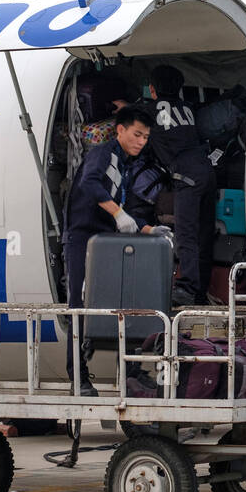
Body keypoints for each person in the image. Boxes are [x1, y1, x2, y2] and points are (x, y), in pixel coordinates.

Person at [62, 105, 170, 394]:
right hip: (83, 239)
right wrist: (118, 214)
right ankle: (78, 377)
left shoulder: (125, 164)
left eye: (146, 137)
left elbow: (125, 210)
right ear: (120, 130)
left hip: (107, 241)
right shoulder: (102, 153)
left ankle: (130, 371)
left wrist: (149, 230)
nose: (141, 141)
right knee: (78, 307)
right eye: (137, 134)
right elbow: (89, 183)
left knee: (123, 304)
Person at [145, 64, 217, 307]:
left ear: (152, 90)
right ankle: (200, 291)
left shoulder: (149, 110)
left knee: (185, 233)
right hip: (206, 172)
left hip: (186, 178)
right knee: (204, 235)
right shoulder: (188, 108)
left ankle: (186, 288)